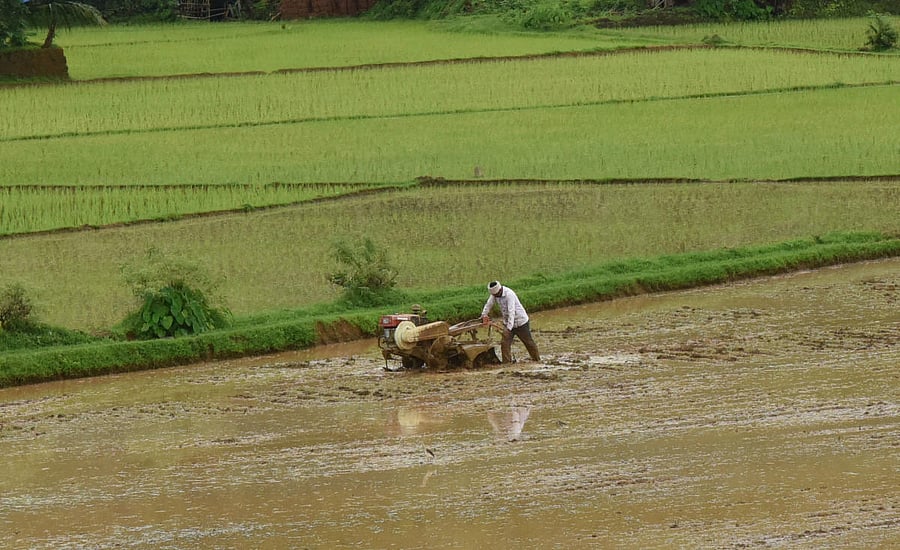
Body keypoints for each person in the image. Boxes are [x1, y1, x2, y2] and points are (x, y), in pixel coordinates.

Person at [481, 281, 541, 363]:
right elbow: (489, 304)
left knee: (528, 342)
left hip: (520, 322)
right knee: (504, 344)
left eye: (495, 295)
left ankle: (537, 359)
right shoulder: (494, 295)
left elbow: (511, 311)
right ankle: (507, 363)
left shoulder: (509, 294)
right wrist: (484, 315)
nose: (495, 297)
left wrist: (508, 328)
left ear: (499, 291)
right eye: (494, 295)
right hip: (508, 323)